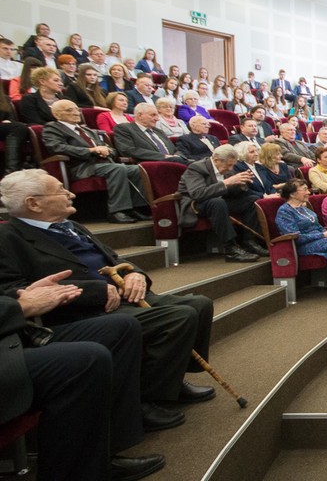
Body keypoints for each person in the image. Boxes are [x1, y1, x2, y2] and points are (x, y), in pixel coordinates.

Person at [0, 170, 216, 432]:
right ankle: (144, 400)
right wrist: (94, 291)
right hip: (84, 312)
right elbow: (16, 291)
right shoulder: (8, 238)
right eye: (60, 190)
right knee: (178, 317)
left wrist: (135, 273)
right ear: (33, 203)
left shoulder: (73, 227)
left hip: (123, 295)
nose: (71, 193)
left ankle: (172, 378)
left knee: (199, 304)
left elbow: (114, 259)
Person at [1, 279, 166, 481]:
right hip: (10, 337)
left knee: (122, 327)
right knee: (86, 360)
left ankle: (106, 454)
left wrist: (21, 294)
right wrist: (20, 305)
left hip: (13, 333)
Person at [43, 100, 148, 224]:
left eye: (77, 109)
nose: (76, 113)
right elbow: (57, 147)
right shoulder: (52, 128)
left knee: (137, 169)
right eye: (69, 110)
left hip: (104, 164)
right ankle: (117, 211)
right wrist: (90, 150)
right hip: (81, 166)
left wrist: (108, 151)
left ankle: (137, 208)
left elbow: (112, 150)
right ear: (56, 114)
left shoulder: (89, 131)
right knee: (118, 169)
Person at [177, 144, 268, 262]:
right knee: (217, 202)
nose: (230, 169)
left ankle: (249, 241)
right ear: (216, 160)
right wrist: (226, 182)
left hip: (221, 202)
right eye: (228, 165)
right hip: (196, 205)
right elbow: (197, 194)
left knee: (252, 199)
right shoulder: (196, 168)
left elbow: (233, 192)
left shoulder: (228, 169)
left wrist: (242, 184)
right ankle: (231, 249)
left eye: (232, 165)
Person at [113, 103, 189, 164]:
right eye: (153, 115)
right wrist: (164, 157)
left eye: (157, 115)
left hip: (174, 162)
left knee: (197, 165)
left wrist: (178, 156)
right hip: (150, 164)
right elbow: (128, 150)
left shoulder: (159, 131)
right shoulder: (125, 128)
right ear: (140, 115)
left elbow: (175, 149)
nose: (157, 119)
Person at [0, 80, 27, 174]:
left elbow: (11, 118)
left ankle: (14, 168)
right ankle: (12, 170)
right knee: (19, 127)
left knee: (23, 127)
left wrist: (9, 121)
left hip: (4, 128)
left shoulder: (5, 98)